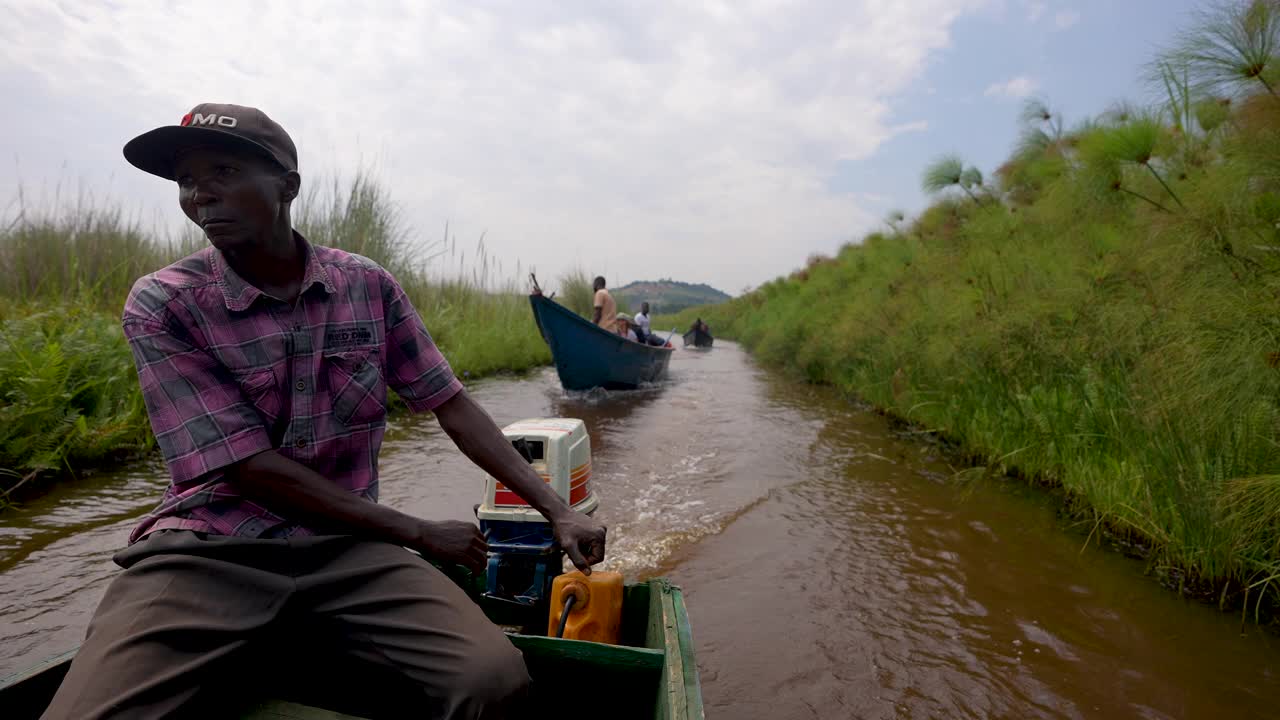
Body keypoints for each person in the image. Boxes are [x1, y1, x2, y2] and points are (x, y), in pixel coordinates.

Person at [42, 103, 607, 720]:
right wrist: (419, 533)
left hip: (350, 547)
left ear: (287, 187)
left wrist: (558, 511)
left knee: (493, 682)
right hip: (210, 547)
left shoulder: (366, 286)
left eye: (223, 171)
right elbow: (247, 468)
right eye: (186, 181)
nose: (200, 195)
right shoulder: (165, 303)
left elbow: (451, 404)